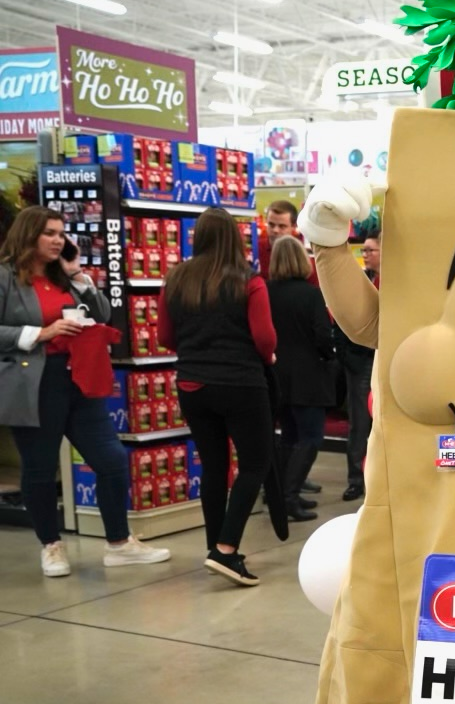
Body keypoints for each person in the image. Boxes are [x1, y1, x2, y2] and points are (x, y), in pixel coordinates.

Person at [0, 206, 171, 575]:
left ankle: (119, 543)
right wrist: (41, 334)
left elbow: (103, 314)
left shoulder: (64, 277)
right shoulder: (5, 279)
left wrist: (77, 275)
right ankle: (51, 545)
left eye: (61, 233)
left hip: (77, 379)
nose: (57, 239)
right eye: (49, 233)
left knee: (110, 460)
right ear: (28, 234)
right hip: (34, 384)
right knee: (40, 469)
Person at [156, 207, 276, 586]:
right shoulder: (249, 281)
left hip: (192, 384)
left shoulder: (175, 280)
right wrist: (268, 355)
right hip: (240, 383)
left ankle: (215, 546)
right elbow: (265, 339)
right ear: (234, 238)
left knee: (213, 467)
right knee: (254, 463)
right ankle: (226, 550)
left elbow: (164, 337)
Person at [265, 235, 335, 523]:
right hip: (308, 376)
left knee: (289, 437)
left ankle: (279, 495)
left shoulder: (265, 292)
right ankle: (289, 496)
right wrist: (330, 355)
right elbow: (322, 335)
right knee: (311, 437)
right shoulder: (312, 295)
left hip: (276, 374)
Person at [335, 232, 379, 501]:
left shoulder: (396, 282)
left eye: (371, 251)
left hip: (385, 362)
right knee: (359, 423)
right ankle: (356, 479)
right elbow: (343, 320)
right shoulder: (361, 282)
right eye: (364, 251)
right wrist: (349, 359)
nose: (366, 255)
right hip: (361, 363)